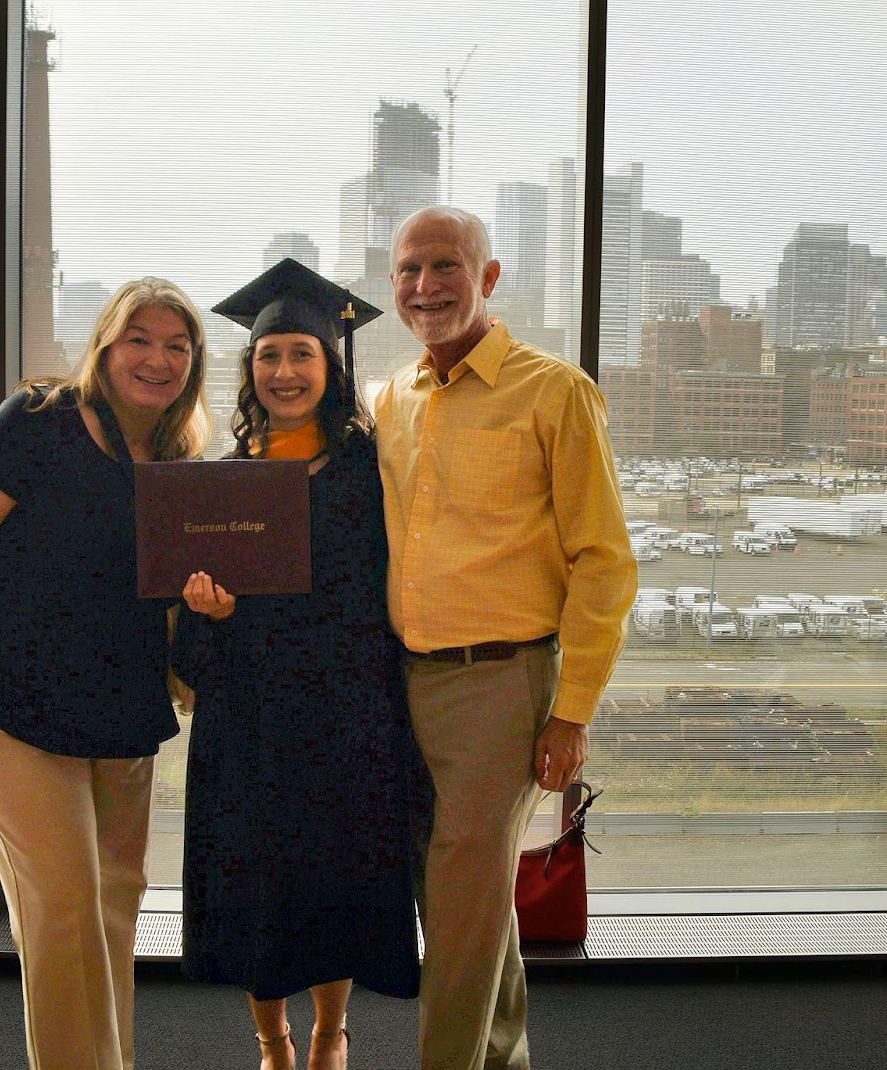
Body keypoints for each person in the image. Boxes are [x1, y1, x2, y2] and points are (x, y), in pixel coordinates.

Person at [0, 277, 210, 1070]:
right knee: (64, 909)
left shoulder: (178, 459)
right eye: (140, 340)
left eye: (177, 346)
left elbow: (173, 598)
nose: (158, 359)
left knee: (116, 906)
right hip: (10, 706)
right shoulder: (38, 420)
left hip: (120, 708)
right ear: (107, 346)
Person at [375, 206, 638, 1070]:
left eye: (445, 266)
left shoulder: (554, 392)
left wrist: (573, 711)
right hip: (400, 678)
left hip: (500, 683)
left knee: (457, 902)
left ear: (488, 278)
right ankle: (502, 1059)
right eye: (409, 271)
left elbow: (603, 562)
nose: (425, 287)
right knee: (464, 894)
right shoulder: (392, 399)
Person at [173, 258, 421, 1070]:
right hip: (249, 721)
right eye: (269, 354)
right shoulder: (223, 485)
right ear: (250, 368)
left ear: (331, 365)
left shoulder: (373, 472)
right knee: (258, 889)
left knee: (335, 882)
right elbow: (189, 649)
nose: (284, 371)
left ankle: (328, 1032)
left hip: (350, 714)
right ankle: (270, 1038)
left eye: (302, 355)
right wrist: (207, 612)